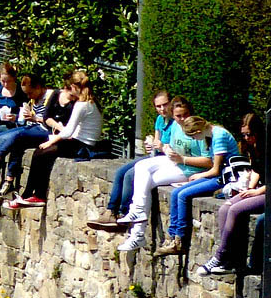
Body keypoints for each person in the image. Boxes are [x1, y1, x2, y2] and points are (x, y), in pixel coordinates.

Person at [116, 113, 215, 253]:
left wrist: (182, 159)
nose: (180, 119)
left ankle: (138, 233)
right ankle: (137, 216)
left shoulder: (199, 131)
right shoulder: (175, 125)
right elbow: (171, 149)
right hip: (176, 163)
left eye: (183, 115)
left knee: (147, 182)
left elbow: (209, 161)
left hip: (189, 170)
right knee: (140, 168)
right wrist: (164, 148)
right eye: (177, 116)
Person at [7, 69, 103, 209]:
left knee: (42, 152)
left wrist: (50, 141)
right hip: (82, 141)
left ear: (74, 88)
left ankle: (35, 195)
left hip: (82, 145)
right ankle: (29, 195)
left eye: (70, 89)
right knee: (41, 152)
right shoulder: (91, 102)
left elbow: (68, 131)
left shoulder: (81, 105)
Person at [87, 90, 178, 230]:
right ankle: (111, 211)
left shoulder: (176, 122)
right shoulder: (160, 120)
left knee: (130, 175)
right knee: (120, 172)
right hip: (156, 156)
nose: (162, 109)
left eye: (165, 105)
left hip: (167, 160)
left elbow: (174, 148)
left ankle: (124, 214)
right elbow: (156, 141)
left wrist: (161, 147)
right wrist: (151, 144)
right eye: (158, 106)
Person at [0, 73, 64, 197]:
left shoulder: (52, 96)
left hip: (45, 131)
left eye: (30, 93)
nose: (28, 96)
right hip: (33, 126)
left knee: (18, 135)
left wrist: (34, 118)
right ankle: (0, 179)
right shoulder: (33, 99)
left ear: (38, 87)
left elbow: (50, 120)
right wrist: (20, 117)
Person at [153, 115, 240, 257]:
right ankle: (173, 237)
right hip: (218, 175)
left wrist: (198, 176)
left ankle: (179, 240)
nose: (194, 140)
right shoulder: (211, 134)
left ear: (197, 132)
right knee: (175, 193)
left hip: (226, 178)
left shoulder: (219, 136)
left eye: (192, 137)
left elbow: (216, 169)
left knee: (183, 195)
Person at [197, 113, 266, 276]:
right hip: (258, 188)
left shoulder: (266, 146)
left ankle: (220, 257)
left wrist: (256, 191)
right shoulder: (252, 147)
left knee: (236, 210)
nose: (247, 138)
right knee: (225, 209)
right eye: (244, 134)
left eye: (250, 134)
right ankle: (230, 261)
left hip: (266, 192)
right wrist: (249, 187)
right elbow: (257, 170)